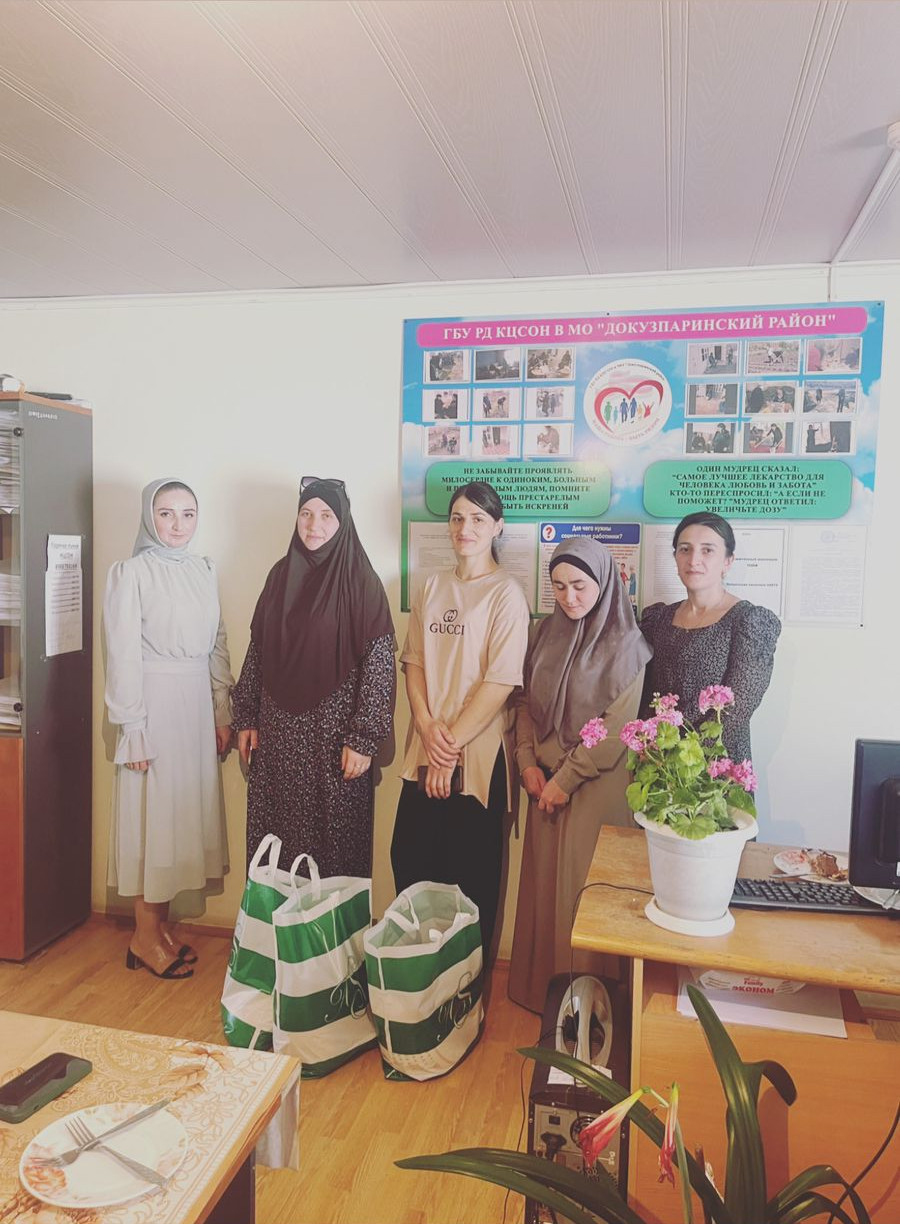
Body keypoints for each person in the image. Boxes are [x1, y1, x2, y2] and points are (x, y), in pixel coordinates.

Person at [508, 539, 651, 1012]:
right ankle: (545, 997)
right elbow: (524, 702)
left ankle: (592, 1006)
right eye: (559, 586)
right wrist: (526, 761)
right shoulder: (544, 633)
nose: (569, 597)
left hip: (594, 786)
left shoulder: (628, 646)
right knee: (545, 891)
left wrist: (563, 781)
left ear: (605, 583)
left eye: (580, 586)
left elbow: (615, 729)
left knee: (583, 892)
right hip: (541, 782)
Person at [391, 480, 529, 961]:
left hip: (476, 756)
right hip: (425, 745)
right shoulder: (431, 586)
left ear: (497, 527)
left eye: (477, 519)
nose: (464, 528)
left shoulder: (507, 594)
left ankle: (465, 986)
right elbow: (413, 662)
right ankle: (415, 977)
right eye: (457, 518)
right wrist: (426, 725)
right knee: (410, 862)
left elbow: (500, 683)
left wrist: (447, 749)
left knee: (469, 879)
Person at [104, 479, 233, 979]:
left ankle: (157, 930)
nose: (177, 524)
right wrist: (132, 726)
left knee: (180, 817)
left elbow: (217, 642)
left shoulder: (204, 570)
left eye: (187, 514)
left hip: (194, 707)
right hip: (153, 706)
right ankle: (142, 935)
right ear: (148, 516)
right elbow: (122, 655)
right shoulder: (131, 573)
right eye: (166, 513)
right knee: (150, 817)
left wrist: (220, 710)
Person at [233, 478, 395, 876]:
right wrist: (247, 716)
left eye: (325, 515)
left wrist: (363, 739)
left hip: (335, 742)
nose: (313, 525)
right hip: (279, 739)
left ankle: (332, 923)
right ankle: (277, 920)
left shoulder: (362, 582)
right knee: (277, 847)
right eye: (305, 513)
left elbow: (379, 667)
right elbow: (258, 650)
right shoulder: (279, 576)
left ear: (343, 522)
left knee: (332, 851)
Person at [640, 512, 780, 764]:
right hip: (658, 764)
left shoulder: (749, 621)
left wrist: (682, 763)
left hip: (714, 769)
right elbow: (647, 697)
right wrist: (645, 750)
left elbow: (736, 711)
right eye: (685, 549)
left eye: (707, 550)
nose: (694, 560)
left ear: (728, 561)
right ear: (675, 556)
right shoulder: (658, 618)